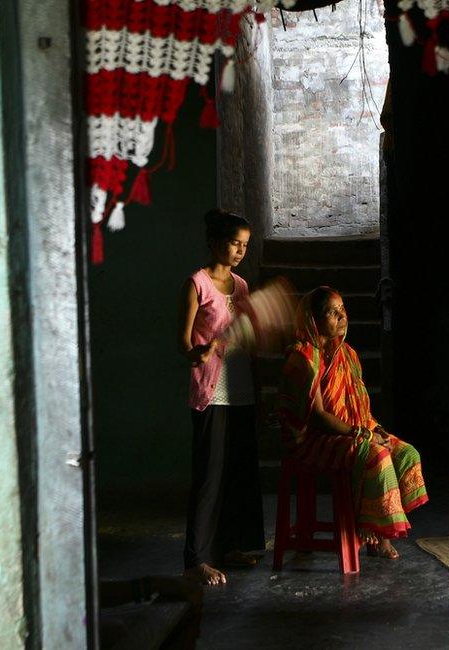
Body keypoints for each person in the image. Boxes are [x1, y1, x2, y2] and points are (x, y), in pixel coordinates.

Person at [278, 286, 428, 559]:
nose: (341, 316)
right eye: (331, 312)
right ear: (313, 320)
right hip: (314, 438)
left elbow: (358, 406)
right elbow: (318, 417)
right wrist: (363, 434)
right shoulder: (302, 358)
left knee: (407, 454)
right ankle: (370, 533)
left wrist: (374, 428)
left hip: (352, 429)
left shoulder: (348, 355)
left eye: (342, 309)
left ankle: (379, 530)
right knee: (376, 457)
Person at [177, 209, 264, 585]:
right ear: (214, 242)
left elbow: (244, 335)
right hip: (212, 393)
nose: (240, 251)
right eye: (234, 243)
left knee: (236, 473)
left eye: (245, 245)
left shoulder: (242, 287)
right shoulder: (196, 283)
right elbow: (183, 342)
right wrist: (198, 352)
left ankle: (230, 546)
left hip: (241, 388)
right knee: (209, 478)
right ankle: (197, 559)